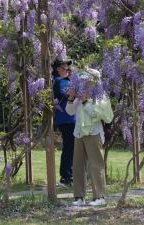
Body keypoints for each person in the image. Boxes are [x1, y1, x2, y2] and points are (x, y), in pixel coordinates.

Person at [65, 68, 113, 207]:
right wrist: (71, 97)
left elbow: (98, 116)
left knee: (96, 165)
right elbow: (69, 111)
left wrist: (86, 102)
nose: (83, 84)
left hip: (94, 133)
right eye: (82, 81)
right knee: (78, 166)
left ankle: (100, 196)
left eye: (87, 81)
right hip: (79, 133)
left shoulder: (100, 96)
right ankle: (79, 197)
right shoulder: (80, 96)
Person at [52, 58, 75, 186]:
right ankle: (66, 176)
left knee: (73, 147)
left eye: (67, 66)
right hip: (66, 119)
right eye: (64, 66)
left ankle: (71, 174)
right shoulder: (58, 82)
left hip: (74, 118)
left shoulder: (69, 80)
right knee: (69, 147)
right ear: (58, 69)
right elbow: (65, 95)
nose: (67, 68)